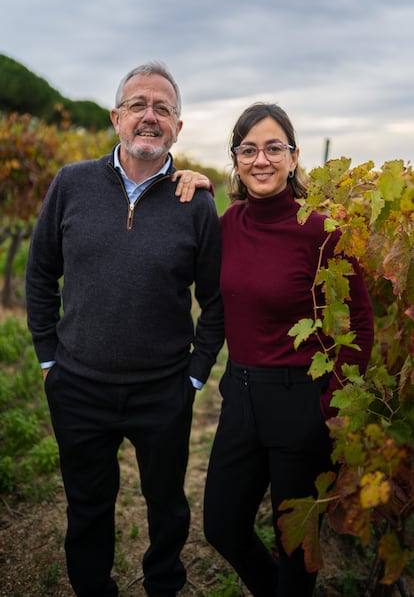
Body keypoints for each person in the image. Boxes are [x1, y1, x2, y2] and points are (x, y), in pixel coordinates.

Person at [25, 61, 224, 597]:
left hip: (163, 389)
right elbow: (40, 272)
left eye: (163, 108)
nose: (150, 116)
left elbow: (215, 299)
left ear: (178, 128)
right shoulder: (71, 184)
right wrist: (48, 359)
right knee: (87, 507)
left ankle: (163, 585)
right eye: (138, 104)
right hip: (78, 384)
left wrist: (195, 377)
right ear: (116, 117)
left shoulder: (197, 202)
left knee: (167, 506)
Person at [203, 103, 374, 597]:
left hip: (302, 402)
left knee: (295, 548)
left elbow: (360, 320)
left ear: (294, 157)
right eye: (249, 149)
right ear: (235, 160)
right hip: (239, 394)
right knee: (222, 526)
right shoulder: (226, 224)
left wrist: (331, 399)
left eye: (274, 148)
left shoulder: (322, 232)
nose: (262, 159)